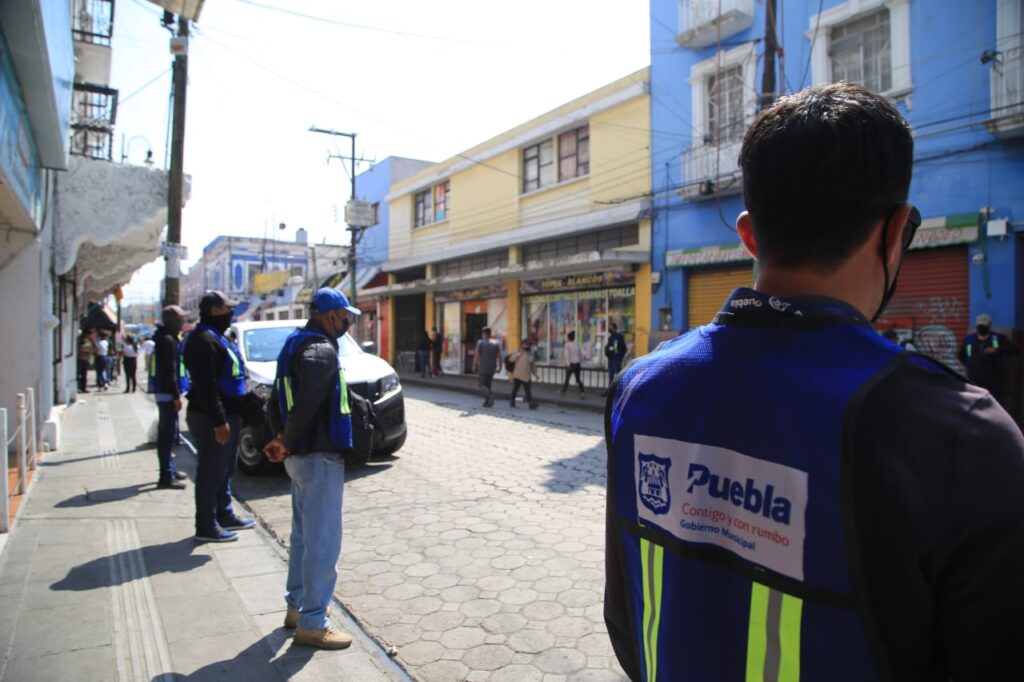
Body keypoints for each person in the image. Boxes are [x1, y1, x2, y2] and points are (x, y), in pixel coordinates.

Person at [604, 83, 1024, 681]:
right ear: (896, 231)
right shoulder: (963, 438)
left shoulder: (638, 390)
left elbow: (626, 623)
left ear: (748, 235)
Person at [263, 288, 361, 650]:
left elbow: (277, 398)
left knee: (304, 538)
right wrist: (287, 439)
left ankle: (295, 608)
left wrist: (281, 438)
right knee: (322, 542)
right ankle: (313, 622)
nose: (348, 323)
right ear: (331, 315)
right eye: (345, 316)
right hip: (318, 457)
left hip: (300, 458)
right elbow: (307, 403)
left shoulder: (294, 343)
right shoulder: (320, 349)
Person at [183, 291, 255, 543]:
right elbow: (206, 386)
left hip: (228, 414)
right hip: (211, 416)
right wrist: (218, 420)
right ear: (214, 310)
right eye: (227, 308)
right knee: (210, 471)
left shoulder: (217, 338)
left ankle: (224, 514)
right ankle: (206, 525)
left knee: (225, 469)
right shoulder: (202, 340)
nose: (231, 313)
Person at [149, 307, 189, 490]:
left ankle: (170, 470)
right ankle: (165, 475)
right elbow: (169, 371)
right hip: (167, 394)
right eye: (180, 318)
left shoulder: (167, 337)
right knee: (166, 436)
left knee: (171, 434)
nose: (183, 322)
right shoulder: (167, 340)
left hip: (166, 392)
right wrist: (175, 395)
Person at [958, 314, 1019, 408]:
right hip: (974, 380)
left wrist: (996, 350)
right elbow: (961, 356)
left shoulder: (997, 338)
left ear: (989, 326)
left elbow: (1014, 349)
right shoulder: (970, 339)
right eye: (979, 326)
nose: (981, 328)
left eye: (983, 326)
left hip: (993, 381)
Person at [472, 326, 502, 407]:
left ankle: (490, 396)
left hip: (483, 367)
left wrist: (474, 365)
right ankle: (487, 402)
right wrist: (500, 366)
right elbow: (499, 356)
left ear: (483, 334)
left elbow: (477, 355)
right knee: (488, 385)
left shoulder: (480, 343)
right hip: (492, 368)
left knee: (481, 385)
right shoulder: (495, 343)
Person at [507, 339, 539, 409]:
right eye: (526, 344)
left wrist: (536, 374)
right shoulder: (518, 352)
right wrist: (517, 355)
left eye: (529, 345)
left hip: (526, 375)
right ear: (522, 345)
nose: (527, 346)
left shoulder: (531, 355)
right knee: (515, 389)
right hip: (517, 375)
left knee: (528, 390)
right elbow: (511, 360)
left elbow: (532, 366)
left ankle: (531, 403)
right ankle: (512, 400)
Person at [559, 330, 585, 399]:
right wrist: (580, 362)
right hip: (577, 364)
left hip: (571, 364)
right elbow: (580, 355)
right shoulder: (577, 344)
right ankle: (582, 393)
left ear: (568, 338)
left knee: (567, 378)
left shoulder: (567, 345)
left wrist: (568, 364)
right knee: (578, 379)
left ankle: (563, 391)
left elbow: (568, 355)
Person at [604, 322, 626, 387]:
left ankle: (619, 390)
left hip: (616, 359)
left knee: (618, 375)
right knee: (611, 375)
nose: (609, 328)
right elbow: (610, 347)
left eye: (611, 327)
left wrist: (620, 356)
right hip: (611, 358)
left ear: (614, 328)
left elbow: (623, 348)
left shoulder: (618, 337)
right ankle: (610, 391)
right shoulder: (610, 337)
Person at [77, 329, 96, 393]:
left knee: (84, 375)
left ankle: (83, 388)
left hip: (85, 359)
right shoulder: (80, 340)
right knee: (79, 374)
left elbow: (93, 350)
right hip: (80, 359)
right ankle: (79, 388)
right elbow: (79, 349)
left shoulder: (89, 341)